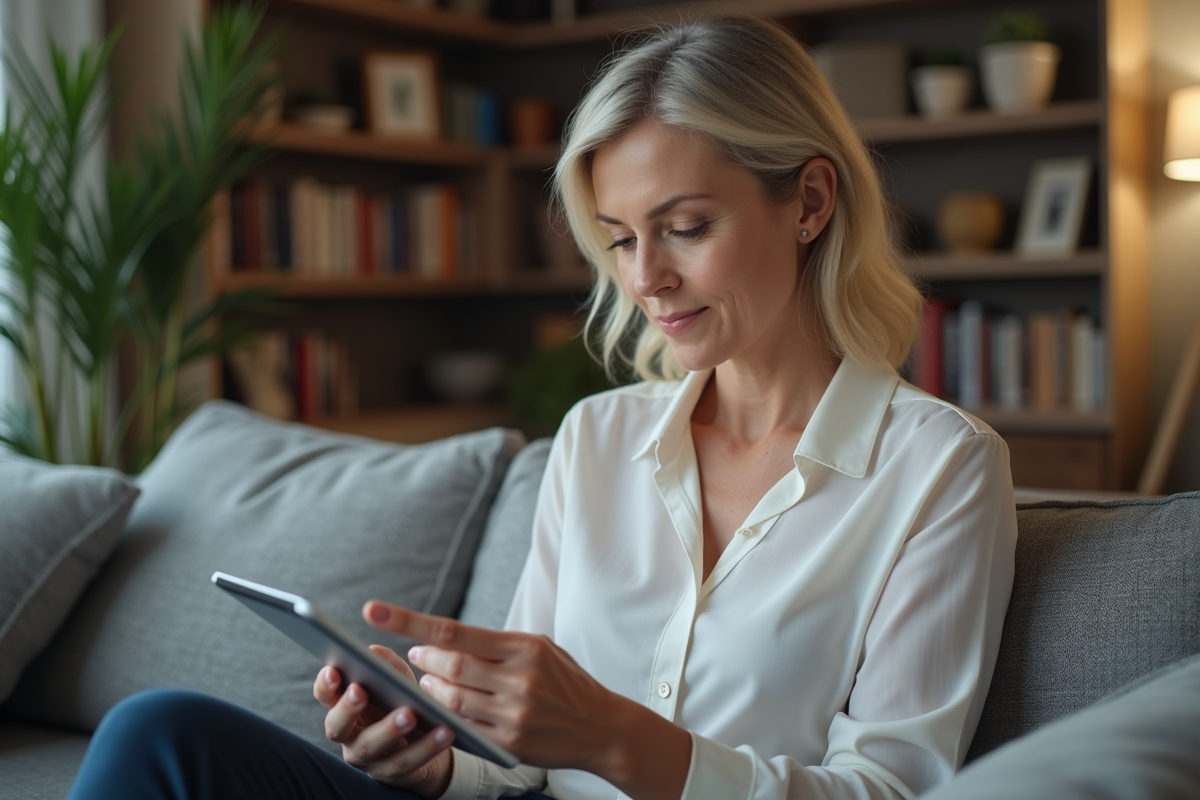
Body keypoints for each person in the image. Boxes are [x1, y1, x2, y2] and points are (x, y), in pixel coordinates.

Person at [68, 14, 1016, 800]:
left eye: (686, 228)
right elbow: (515, 771)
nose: (646, 277)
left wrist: (614, 737)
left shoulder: (939, 468)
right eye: (619, 238)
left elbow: (893, 789)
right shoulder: (599, 439)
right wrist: (436, 761)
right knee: (161, 733)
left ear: (809, 200)